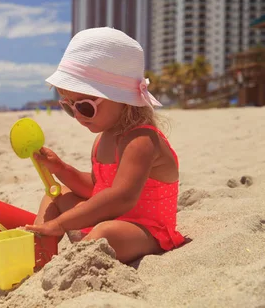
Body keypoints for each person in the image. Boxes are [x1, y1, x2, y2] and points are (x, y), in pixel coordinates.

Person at [24, 27, 186, 263]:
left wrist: (62, 223)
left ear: (123, 99)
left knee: (105, 233)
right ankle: (41, 241)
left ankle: (62, 239)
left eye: (85, 106)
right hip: (106, 218)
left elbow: (121, 198)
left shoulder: (142, 141)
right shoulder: (103, 138)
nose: (78, 116)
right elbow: (96, 188)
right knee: (54, 192)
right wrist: (60, 169)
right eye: (69, 106)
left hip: (144, 230)